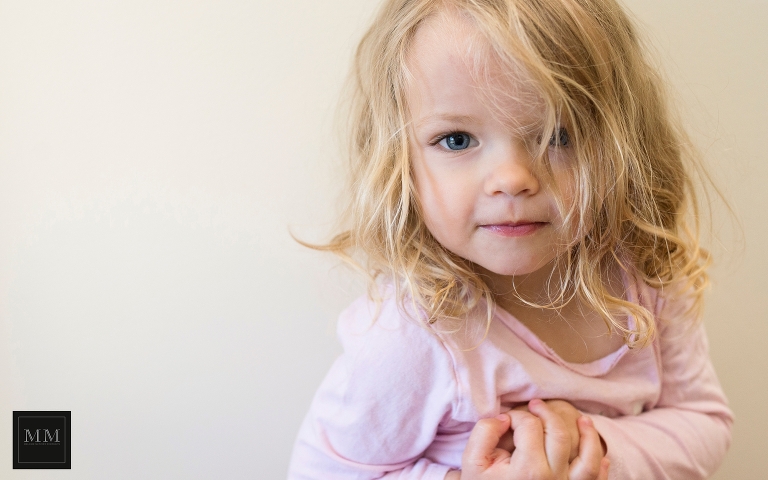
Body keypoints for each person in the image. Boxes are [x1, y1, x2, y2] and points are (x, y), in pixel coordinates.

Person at [288, 0, 733, 478]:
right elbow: (323, 471)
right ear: (399, 163)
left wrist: (592, 449)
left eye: (558, 135)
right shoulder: (413, 334)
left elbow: (705, 422)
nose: (512, 179)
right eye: (457, 140)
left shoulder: (647, 278)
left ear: (623, 145)